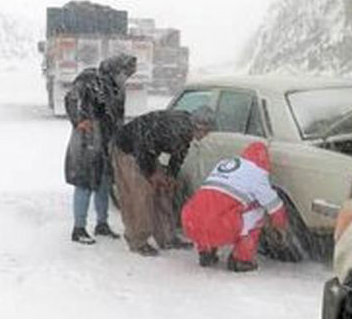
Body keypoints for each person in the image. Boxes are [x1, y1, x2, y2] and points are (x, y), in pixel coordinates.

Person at [110, 106, 215, 256]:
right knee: (140, 194)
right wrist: (152, 174)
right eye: (204, 130)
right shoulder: (175, 128)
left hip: (148, 152)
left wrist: (171, 176)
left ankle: (167, 237)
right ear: (196, 125)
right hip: (129, 150)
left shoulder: (186, 131)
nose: (205, 135)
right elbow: (143, 147)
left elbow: (179, 153)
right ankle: (137, 240)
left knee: (163, 190)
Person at [181, 141, 288, 273]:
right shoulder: (257, 174)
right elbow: (274, 207)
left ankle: (206, 252)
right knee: (258, 213)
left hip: (191, 221)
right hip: (218, 227)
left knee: (207, 209)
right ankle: (241, 260)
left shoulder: (224, 164)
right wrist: (280, 227)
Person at [64, 53, 137, 243]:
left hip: (106, 143)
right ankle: (78, 228)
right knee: (85, 183)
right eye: (123, 73)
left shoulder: (118, 89)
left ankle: (101, 224)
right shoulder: (89, 79)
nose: (125, 78)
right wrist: (79, 120)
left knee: (103, 184)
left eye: (127, 75)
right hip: (87, 142)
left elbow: (118, 118)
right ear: (114, 69)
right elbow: (72, 98)